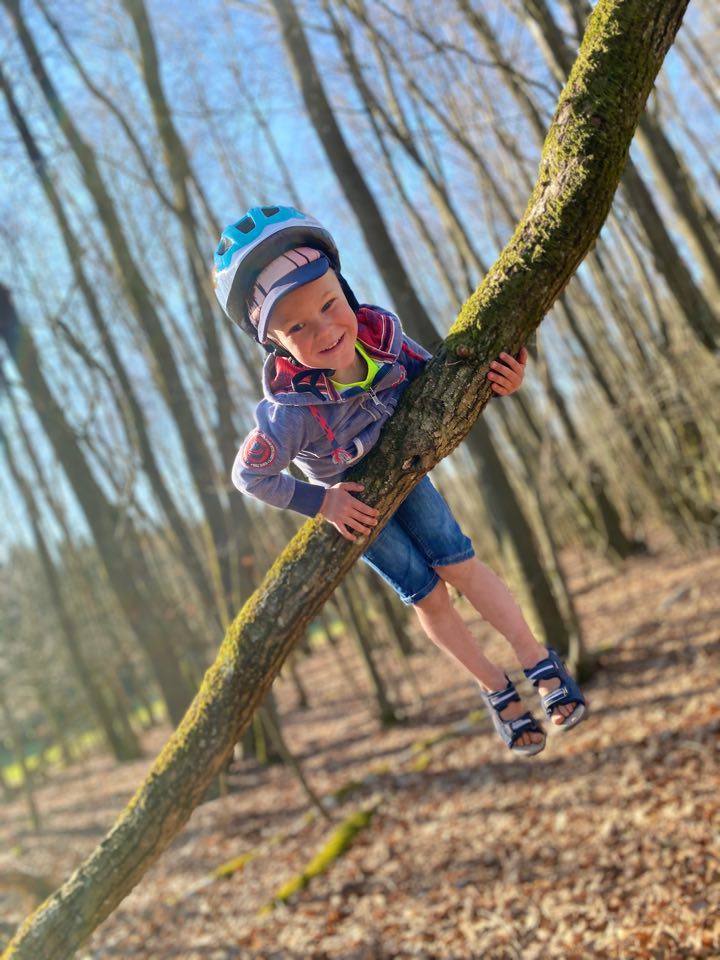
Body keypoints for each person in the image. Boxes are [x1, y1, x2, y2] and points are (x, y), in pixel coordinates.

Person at [213, 205, 586, 757]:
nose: (325, 329)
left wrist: (503, 381)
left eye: (329, 304)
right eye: (296, 326)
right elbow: (249, 474)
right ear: (273, 342)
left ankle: (538, 661)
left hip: (404, 478)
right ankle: (495, 687)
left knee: (458, 561)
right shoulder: (287, 412)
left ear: (345, 290)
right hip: (356, 507)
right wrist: (322, 502)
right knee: (430, 597)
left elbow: (441, 380)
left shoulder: (382, 338)